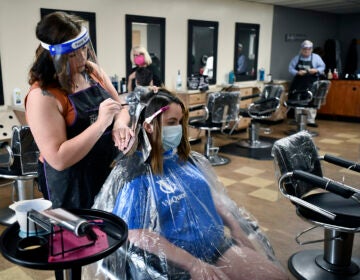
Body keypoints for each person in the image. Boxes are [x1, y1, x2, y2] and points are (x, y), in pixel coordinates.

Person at [84, 89, 288, 279]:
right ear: (148, 125)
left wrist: (236, 228)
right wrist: (193, 265)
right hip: (175, 264)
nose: (178, 129)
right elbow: (136, 234)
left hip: (216, 246)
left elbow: (209, 196)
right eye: (171, 121)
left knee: (275, 276)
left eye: (180, 122)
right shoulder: (135, 174)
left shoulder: (186, 160)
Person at [25, 11, 134, 210]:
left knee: (109, 228)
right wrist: (101, 124)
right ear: (52, 57)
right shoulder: (43, 96)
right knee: (79, 236)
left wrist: (119, 124)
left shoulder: (92, 71)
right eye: (73, 55)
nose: (82, 58)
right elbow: (58, 159)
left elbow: (122, 108)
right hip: (70, 181)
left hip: (103, 167)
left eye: (84, 49)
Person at [288, 40, 326, 127]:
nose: (307, 51)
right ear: (301, 49)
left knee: (311, 101)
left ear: (311, 49)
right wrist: (297, 72)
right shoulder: (296, 58)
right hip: (299, 83)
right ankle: (298, 119)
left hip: (311, 83)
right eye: (305, 49)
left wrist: (316, 70)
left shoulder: (316, 58)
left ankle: (311, 120)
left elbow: (322, 67)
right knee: (298, 100)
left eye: (309, 49)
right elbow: (290, 68)